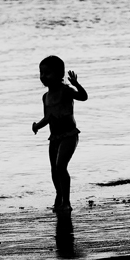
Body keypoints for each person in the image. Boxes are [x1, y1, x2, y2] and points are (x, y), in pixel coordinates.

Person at [32, 56, 88, 213]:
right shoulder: (45, 97)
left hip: (69, 135)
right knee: (54, 169)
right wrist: (37, 125)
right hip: (54, 137)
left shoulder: (66, 91)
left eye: (47, 73)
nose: (43, 77)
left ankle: (67, 202)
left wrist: (76, 84)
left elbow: (83, 97)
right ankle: (59, 194)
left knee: (60, 167)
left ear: (59, 74)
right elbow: (48, 117)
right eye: (41, 73)